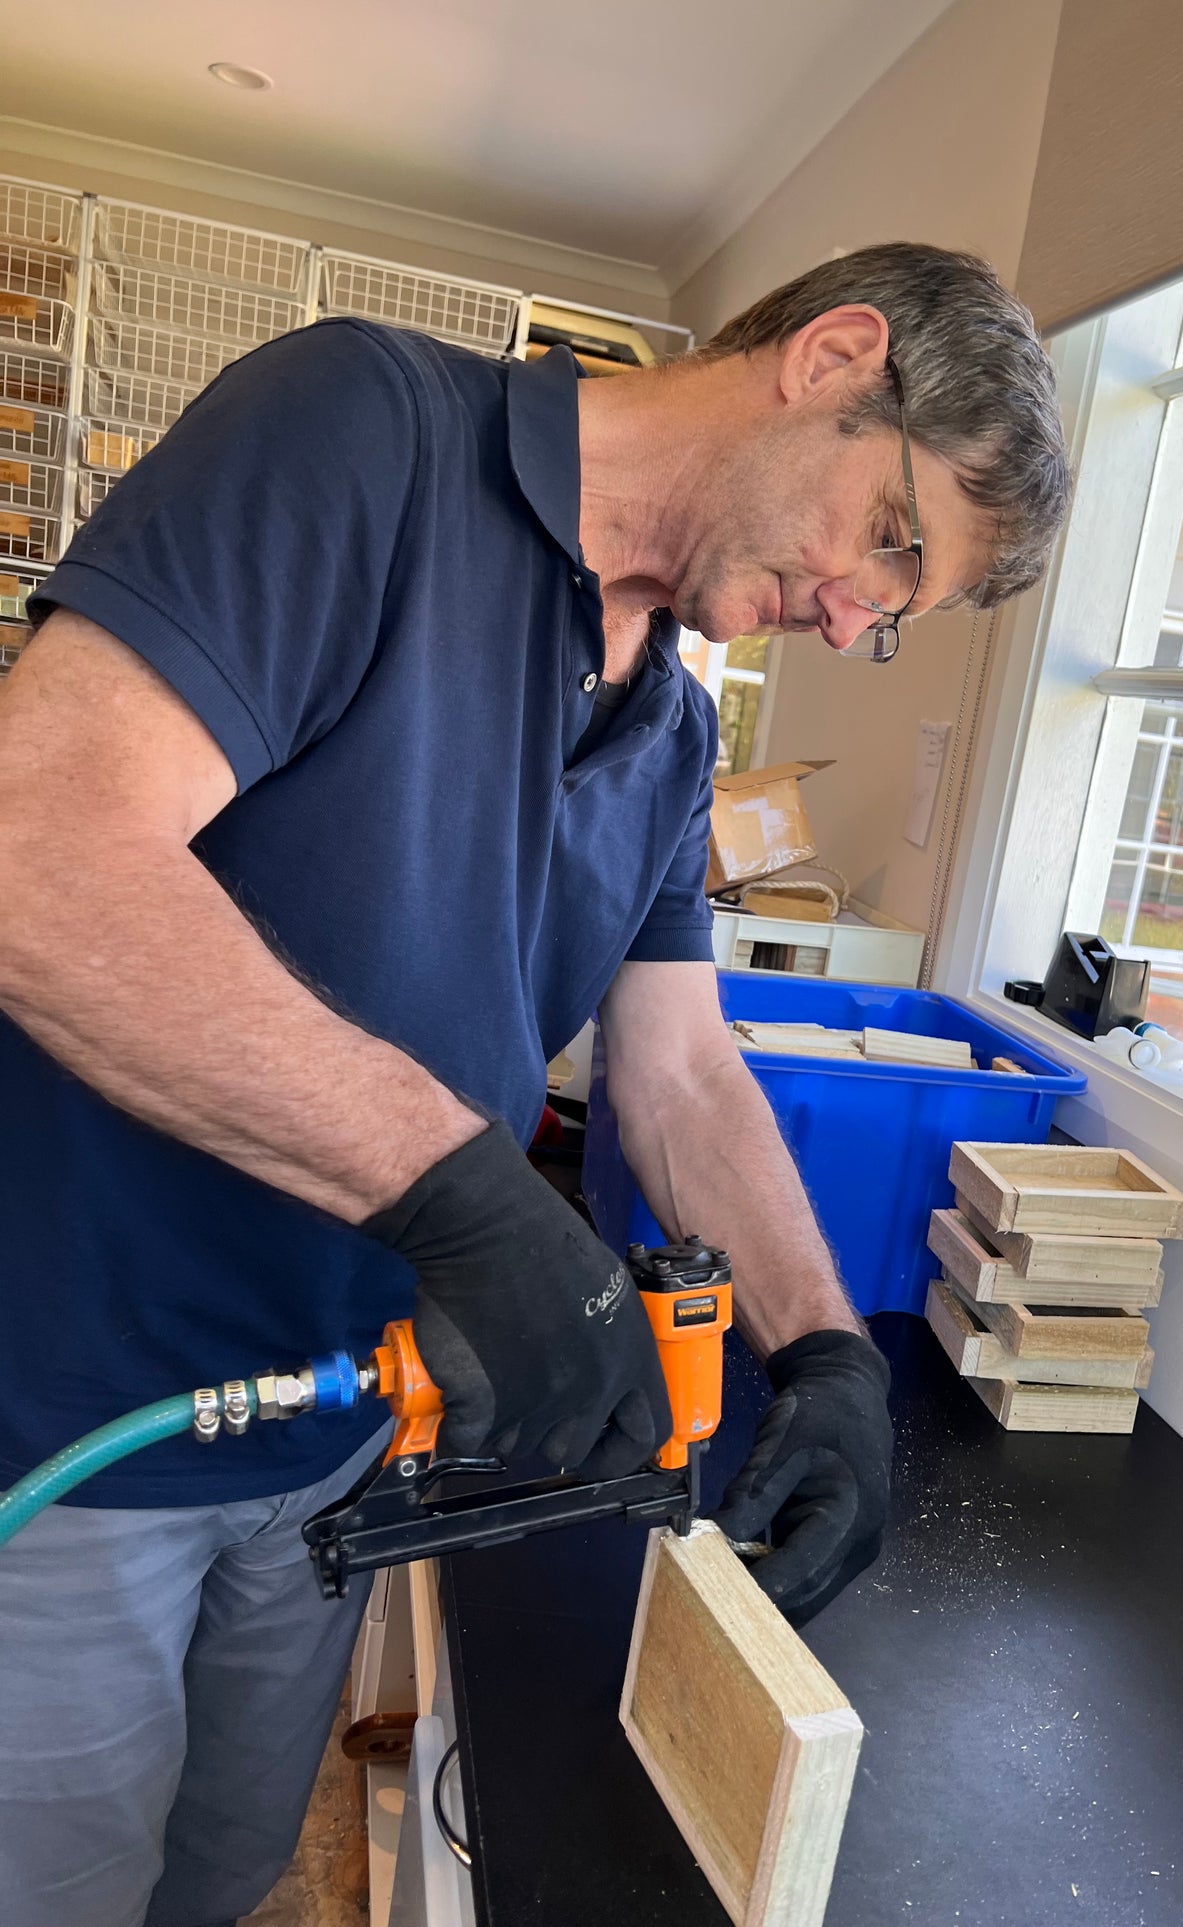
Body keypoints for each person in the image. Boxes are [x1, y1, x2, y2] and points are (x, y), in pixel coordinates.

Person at [0, 241, 1068, 1926]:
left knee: (213, 1880)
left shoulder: (676, 733)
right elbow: (36, 852)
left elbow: (682, 1072)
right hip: (70, 1418)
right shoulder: (362, 435)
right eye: (892, 544)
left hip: (335, 1441)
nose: (858, 615)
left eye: (894, 617)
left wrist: (824, 1354)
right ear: (831, 356)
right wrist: (460, 1189)